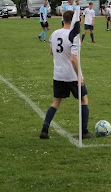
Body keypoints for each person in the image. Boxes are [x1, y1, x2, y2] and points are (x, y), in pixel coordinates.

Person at [39, 10, 94, 140]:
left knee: (56, 102)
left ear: (63, 20)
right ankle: (84, 131)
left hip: (58, 74)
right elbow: (73, 59)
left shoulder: (54, 33)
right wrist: (79, 76)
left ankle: (44, 130)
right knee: (83, 99)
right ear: (76, 21)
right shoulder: (73, 36)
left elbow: (51, 52)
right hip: (71, 76)